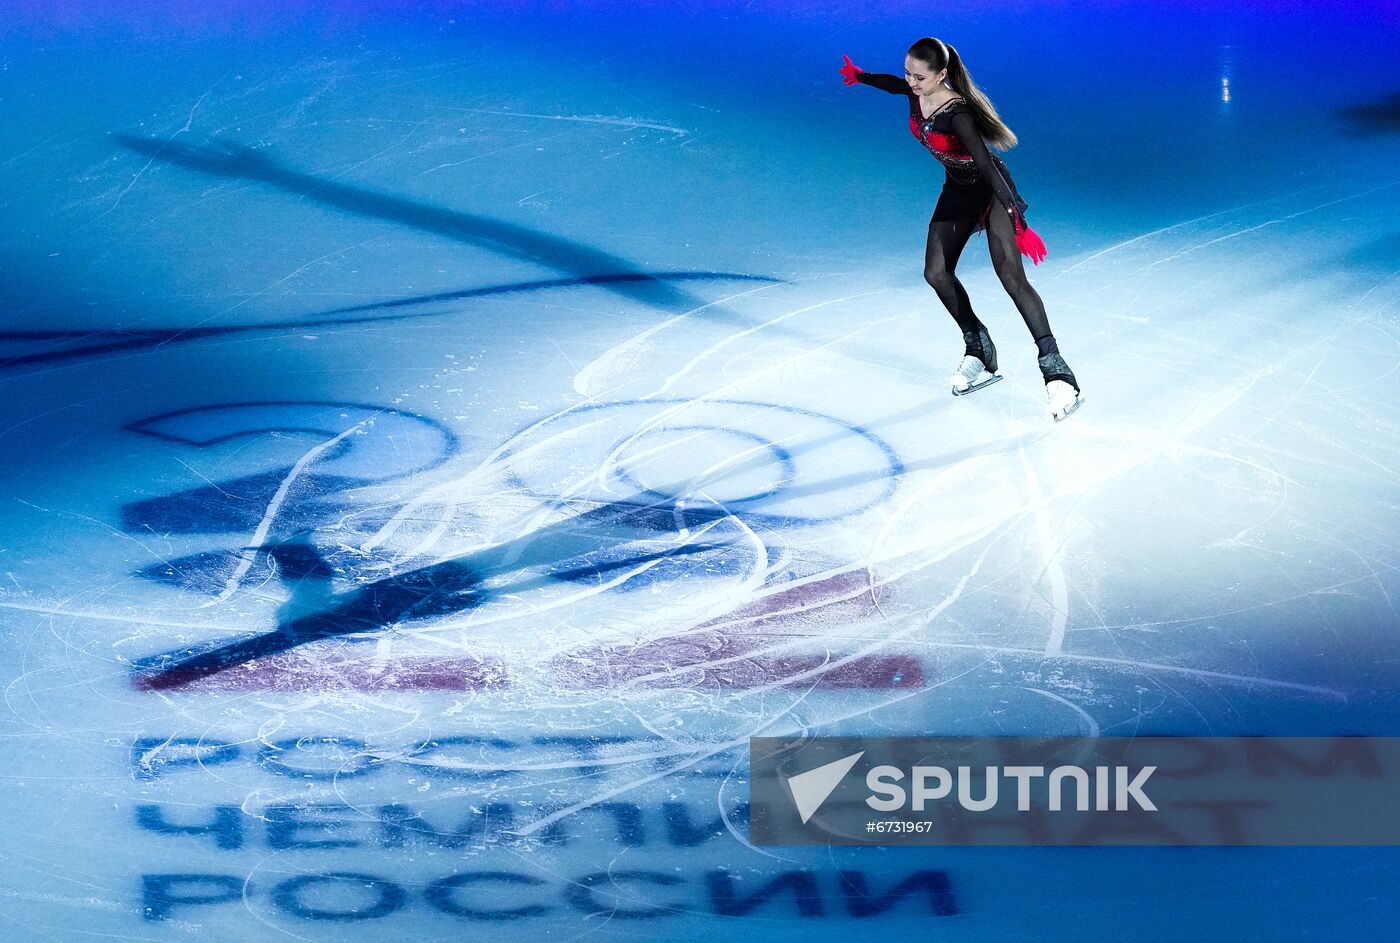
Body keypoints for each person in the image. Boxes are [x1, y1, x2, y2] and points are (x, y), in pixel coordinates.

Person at [840, 39, 1083, 421]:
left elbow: (986, 165)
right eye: (909, 73)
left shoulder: (958, 113)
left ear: (941, 75)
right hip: (957, 188)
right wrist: (861, 76)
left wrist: (1016, 219)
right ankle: (980, 347)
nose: (912, 82)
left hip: (991, 189)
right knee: (936, 273)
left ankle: (1058, 373)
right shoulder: (914, 90)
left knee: (1010, 276)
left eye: (920, 76)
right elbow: (893, 84)